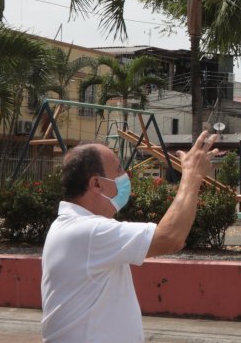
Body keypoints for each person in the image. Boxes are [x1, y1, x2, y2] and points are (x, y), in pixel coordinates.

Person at [41, 129, 219, 342]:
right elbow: (170, 237)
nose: (126, 176)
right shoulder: (88, 232)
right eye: (118, 170)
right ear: (96, 183)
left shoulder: (77, 228)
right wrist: (192, 176)